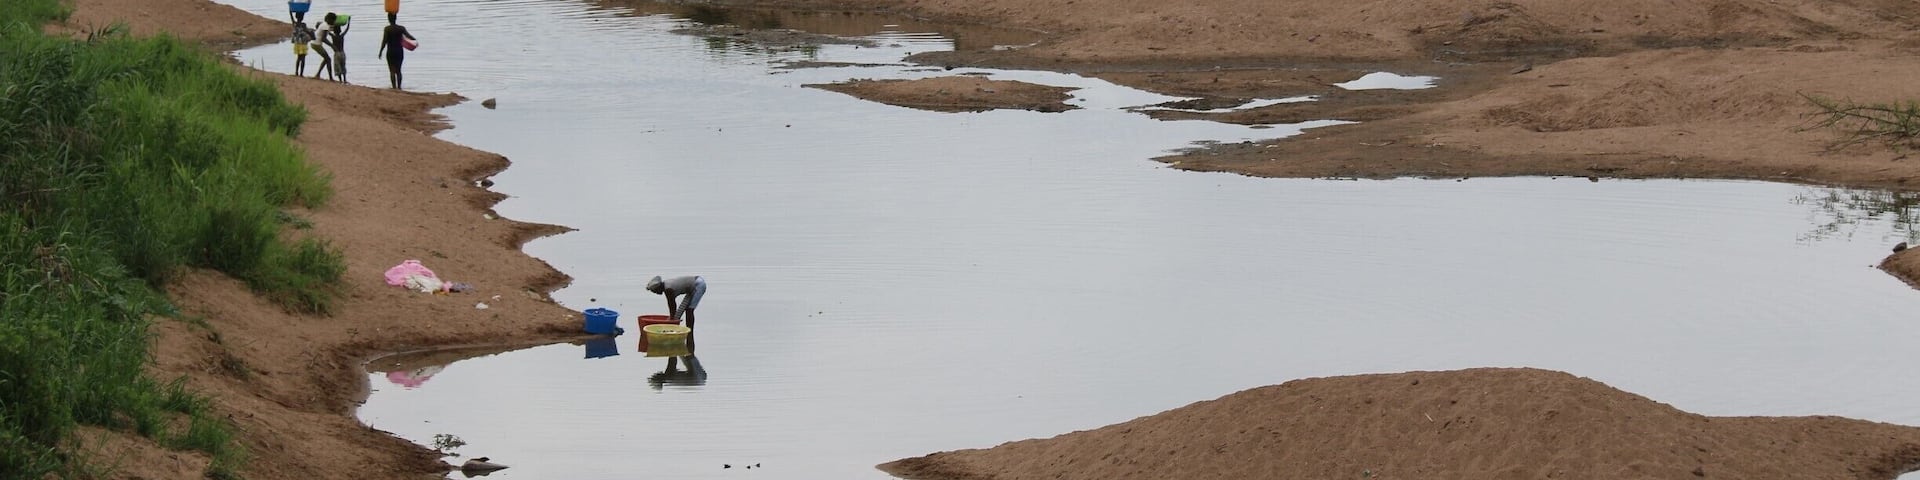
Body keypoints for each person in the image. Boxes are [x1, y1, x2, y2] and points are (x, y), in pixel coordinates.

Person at [376, 16, 416, 89]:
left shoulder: (387, 29)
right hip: (399, 51)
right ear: (396, 18)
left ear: (388, 19)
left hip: (390, 51)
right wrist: (414, 40)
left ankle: (394, 88)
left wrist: (381, 51)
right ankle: (399, 87)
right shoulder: (401, 28)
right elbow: (409, 36)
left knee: (392, 70)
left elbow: (384, 41)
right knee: (398, 70)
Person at [323, 12, 351, 81]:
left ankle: (340, 80)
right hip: (342, 53)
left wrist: (326, 24)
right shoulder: (342, 36)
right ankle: (345, 80)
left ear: (334, 30)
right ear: (340, 30)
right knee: (343, 66)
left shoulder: (333, 36)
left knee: (337, 68)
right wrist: (349, 22)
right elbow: (347, 29)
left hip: (337, 53)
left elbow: (328, 32)